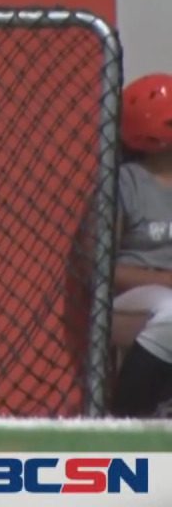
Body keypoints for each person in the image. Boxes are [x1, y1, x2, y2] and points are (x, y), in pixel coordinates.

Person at [110, 73, 172, 417]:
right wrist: (163, 279)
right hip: (132, 299)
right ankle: (125, 419)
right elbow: (100, 269)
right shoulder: (126, 182)